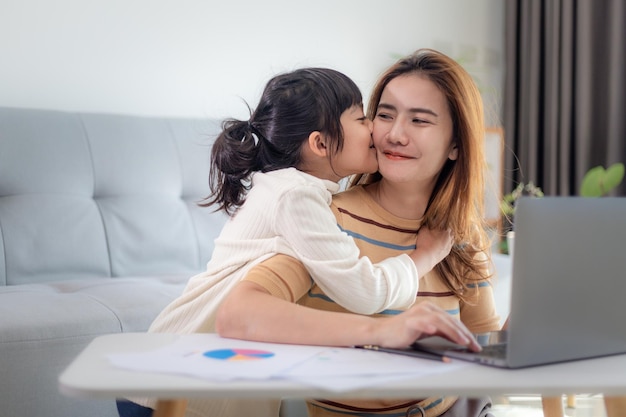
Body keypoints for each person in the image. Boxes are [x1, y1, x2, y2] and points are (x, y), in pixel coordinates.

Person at [117, 66, 454, 417]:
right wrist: (423, 257)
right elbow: (363, 290)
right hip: (172, 383)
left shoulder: (293, 190)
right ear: (320, 144)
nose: (373, 128)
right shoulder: (296, 196)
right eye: (361, 117)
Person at [217, 49, 501, 417]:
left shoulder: (460, 235)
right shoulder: (323, 219)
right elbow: (239, 313)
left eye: (420, 120)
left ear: (456, 145)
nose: (395, 134)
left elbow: (484, 353)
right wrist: (382, 331)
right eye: (384, 115)